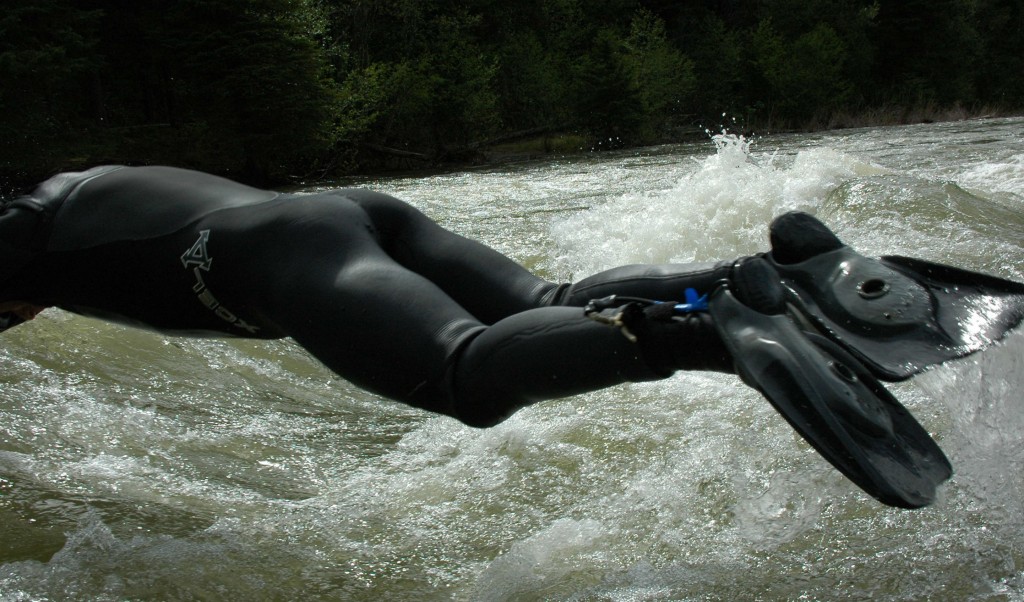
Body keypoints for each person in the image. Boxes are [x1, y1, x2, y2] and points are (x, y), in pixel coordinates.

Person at [5, 165, 1021, 508]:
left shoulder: (14, 240)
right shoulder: (69, 191)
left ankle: (700, 330)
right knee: (545, 292)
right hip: (346, 211)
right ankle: (787, 274)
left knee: (465, 374)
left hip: (277, 264)